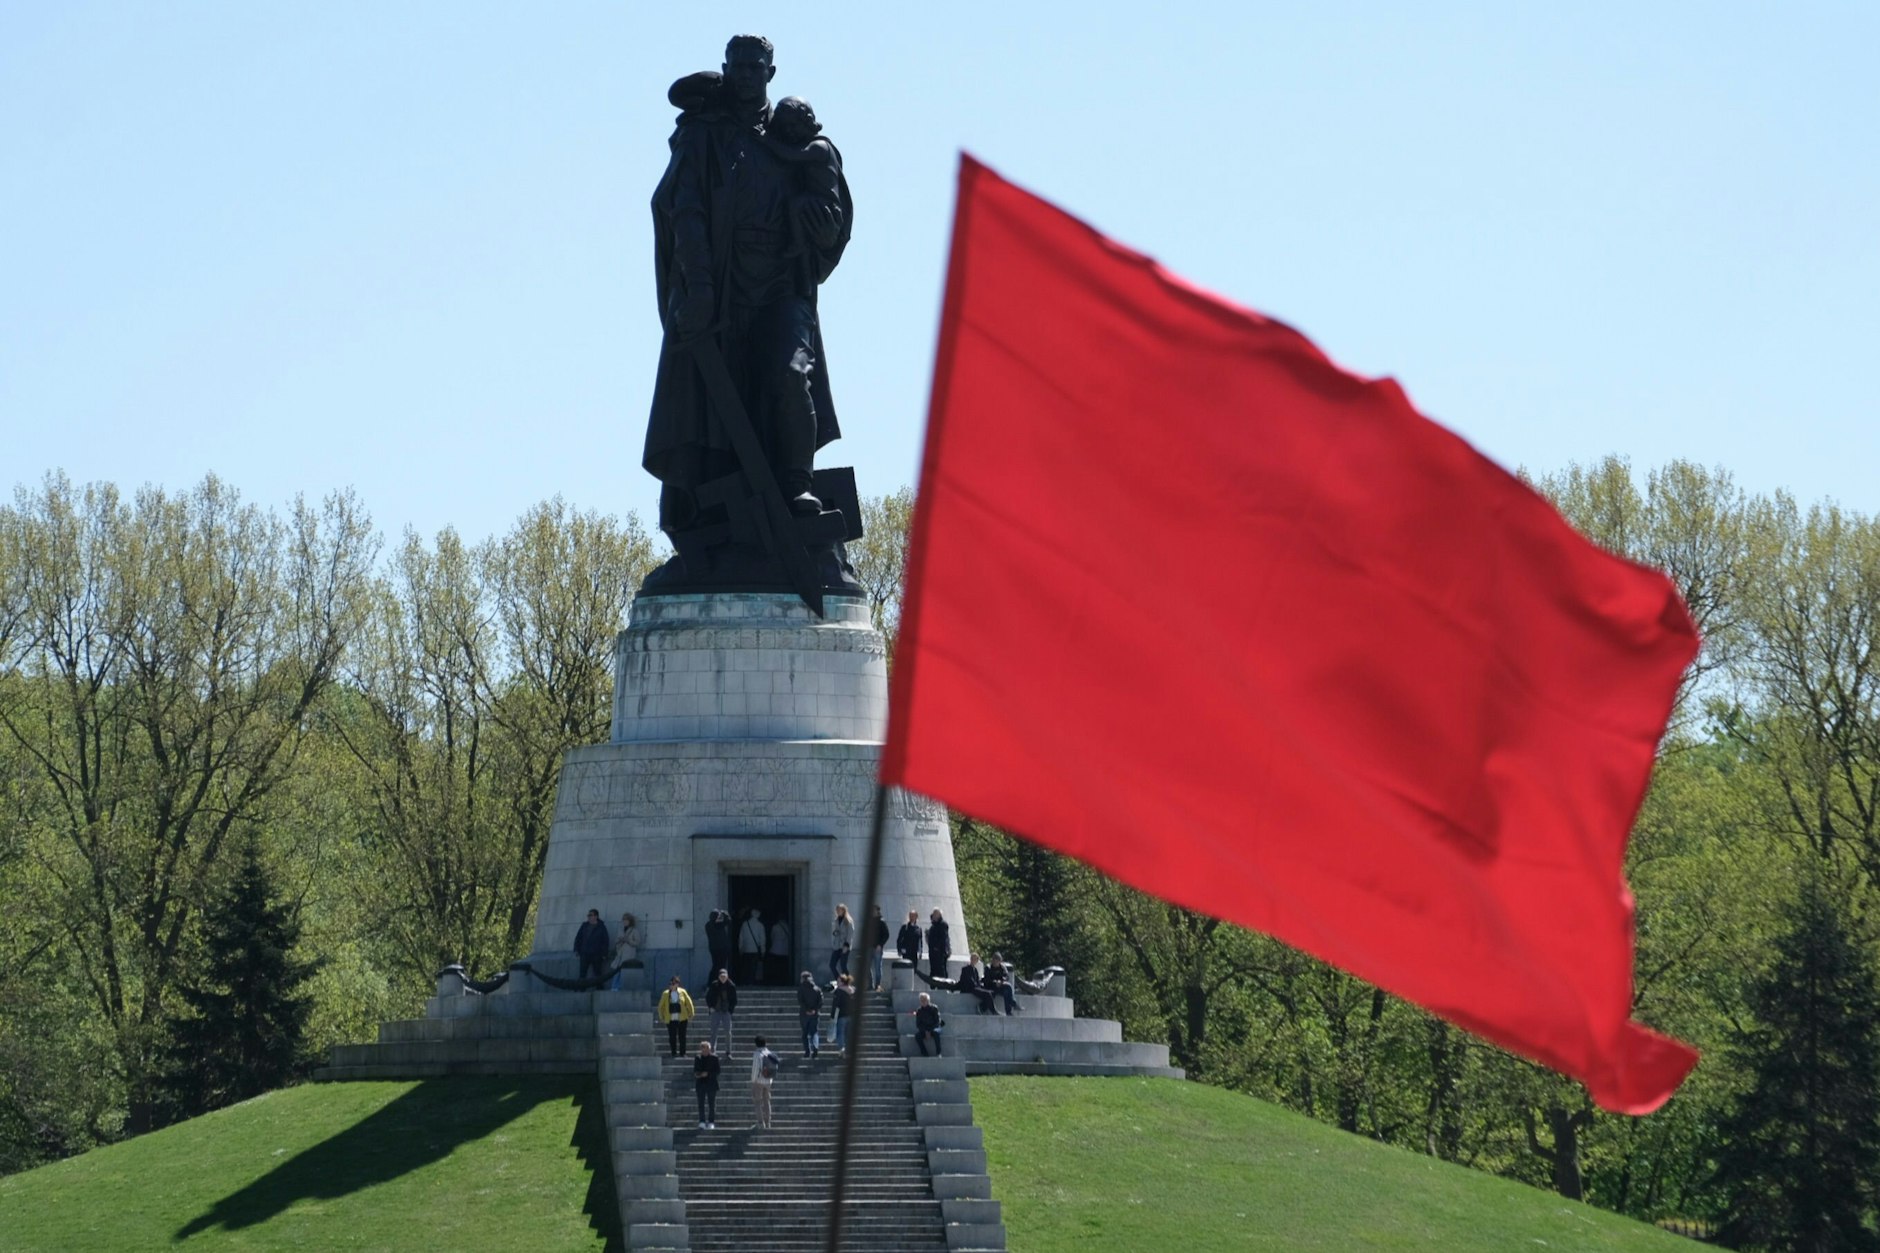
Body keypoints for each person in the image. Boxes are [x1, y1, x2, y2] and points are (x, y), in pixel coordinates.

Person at [644, 35, 852, 532]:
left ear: (770, 74)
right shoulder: (704, 134)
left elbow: (833, 221)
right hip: (720, 290)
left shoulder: (797, 140)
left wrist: (814, 213)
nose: (745, 76)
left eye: (755, 68)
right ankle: (712, 520)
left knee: (789, 373)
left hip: (782, 288)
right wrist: (698, 287)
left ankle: (796, 482)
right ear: (725, 69)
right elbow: (683, 210)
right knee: (713, 406)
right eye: (737, 67)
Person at [658, 975, 696, 1057]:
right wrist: (661, 1016)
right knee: (672, 1036)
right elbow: (661, 1006)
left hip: (682, 1017)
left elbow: (689, 1002)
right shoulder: (665, 994)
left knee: (682, 1036)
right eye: (670, 984)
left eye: (673, 984)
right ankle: (673, 1052)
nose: (671, 985)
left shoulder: (683, 992)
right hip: (671, 1018)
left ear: (677, 984)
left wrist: (691, 1013)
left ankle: (683, 1052)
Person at [705, 967, 738, 1055]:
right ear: (718, 976)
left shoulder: (731, 986)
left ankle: (728, 1051)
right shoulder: (714, 985)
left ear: (727, 976)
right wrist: (710, 1007)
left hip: (726, 1011)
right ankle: (712, 1051)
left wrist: (730, 1011)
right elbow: (708, 997)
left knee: (728, 1032)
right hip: (715, 1010)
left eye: (724, 976)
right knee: (713, 1032)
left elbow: (734, 1000)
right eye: (721, 976)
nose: (723, 978)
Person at [608, 913, 643, 991]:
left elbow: (637, 942)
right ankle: (614, 987)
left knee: (624, 971)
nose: (624, 921)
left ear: (630, 921)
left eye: (626, 920)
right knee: (616, 971)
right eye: (623, 919)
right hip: (620, 953)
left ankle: (621, 987)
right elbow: (616, 940)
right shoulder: (621, 930)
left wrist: (628, 940)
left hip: (628, 954)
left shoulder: (634, 931)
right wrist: (620, 941)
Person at [750, 1034, 778, 1130]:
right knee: (767, 1101)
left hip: (759, 1081)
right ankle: (768, 1122)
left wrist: (753, 1081)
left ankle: (760, 1123)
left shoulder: (757, 1054)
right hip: (768, 1081)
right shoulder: (770, 1053)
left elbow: (756, 1068)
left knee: (758, 1102)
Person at [573, 909, 610, 981]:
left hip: (596, 954)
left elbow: (605, 941)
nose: (589, 917)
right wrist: (576, 949)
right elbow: (578, 938)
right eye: (588, 915)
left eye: (590, 915)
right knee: (582, 973)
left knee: (598, 973)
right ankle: (581, 989)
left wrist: (604, 954)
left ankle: (599, 989)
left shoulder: (601, 927)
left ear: (596, 916)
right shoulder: (584, 926)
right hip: (584, 953)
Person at [693, 1041, 721, 1129]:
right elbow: (695, 1070)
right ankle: (702, 1121)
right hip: (701, 1084)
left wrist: (708, 1074)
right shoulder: (698, 1058)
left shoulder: (714, 1058)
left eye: (707, 1049)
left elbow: (718, 1071)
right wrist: (700, 1074)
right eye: (703, 1049)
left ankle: (711, 1121)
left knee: (711, 1104)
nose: (705, 1051)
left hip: (711, 1083)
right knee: (701, 1104)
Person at [796, 969, 823, 1058]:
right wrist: (814, 1010)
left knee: (805, 1034)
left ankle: (807, 1051)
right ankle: (815, 1048)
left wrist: (807, 1010)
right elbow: (821, 1001)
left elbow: (800, 1001)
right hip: (815, 1014)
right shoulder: (817, 989)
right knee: (814, 1032)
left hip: (804, 1014)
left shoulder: (801, 988)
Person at [738, 908, 767, 984]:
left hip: (746, 949)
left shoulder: (745, 924)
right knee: (754, 968)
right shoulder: (760, 925)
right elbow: (762, 939)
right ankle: (752, 982)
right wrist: (763, 951)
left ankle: (745, 982)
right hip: (755, 950)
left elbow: (741, 937)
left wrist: (740, 948)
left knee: (745, 967)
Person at [705, 909, 733, 986]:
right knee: (721, 966)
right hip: (722, 949)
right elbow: (729, 921)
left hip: (713, 949)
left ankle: (712, 982)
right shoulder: (718, 925)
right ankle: (719, 982)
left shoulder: (708, 925)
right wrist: (725, 913)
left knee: (715, 966)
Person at [913, 992, 943, 1057]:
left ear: (928, 1000)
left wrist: (929, 1030)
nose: (923, 1002)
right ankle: (924, 1053)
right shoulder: (919, 1011)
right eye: (921, 1000)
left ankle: (938, 1052)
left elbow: (937, 1021)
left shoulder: (934, 1008)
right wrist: (925, 1031)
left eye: (924, 1000)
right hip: (925, 1029)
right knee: (917, 1036)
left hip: (934, 1027)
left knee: (936, 1033)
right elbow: (918, 1024)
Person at [925, 909, 951, 982]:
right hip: (933, 953)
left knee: (941, 970)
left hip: (940, 953)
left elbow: (944, 938)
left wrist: (937, 947)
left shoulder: (943, 924)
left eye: (935, 914)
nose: (933, 916)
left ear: (939, 915)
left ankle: (942, 986)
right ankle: (933, 984)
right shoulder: (933, 926)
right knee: (933, 969)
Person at [829, 903, 854, 982]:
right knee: (832, 965)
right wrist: (835, 932)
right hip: (837, 946)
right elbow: (834, 931)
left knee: (843, 966)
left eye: (839, 910)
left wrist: (846, 945)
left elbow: (850, 934)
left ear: (843, 910)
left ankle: (847, 983)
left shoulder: (848, 921)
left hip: (844, 946)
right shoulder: (836, 920)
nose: (837, 911)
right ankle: (839, 981)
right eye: (837, 910)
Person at [868, 904, 889, 992]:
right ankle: (870, 984)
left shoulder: (882, 921)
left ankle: (877, 985)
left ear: (877, 911)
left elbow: (886, 935)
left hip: (877, 948)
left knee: (877, 968)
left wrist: (880, 945)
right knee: (867, 967)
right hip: (869, 947)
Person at [830, 973, 854, 1052]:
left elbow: (835, 1004)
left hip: (842, 1015)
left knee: (840, 1033)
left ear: (842, 982)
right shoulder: (852, 990)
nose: (837, 983)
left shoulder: (839, 991)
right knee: (848, 1034)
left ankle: (842, 1049)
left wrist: (832, 1016)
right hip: (851, 1015)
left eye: (838, 981)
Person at [768, 913, 793, 986]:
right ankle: (784, 981)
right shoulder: (788, 927)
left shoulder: (775, 927)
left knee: (776, 968)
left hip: (775, 950)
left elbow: (772, 937)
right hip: (785, 951)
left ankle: (776, 980)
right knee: (783, 968)